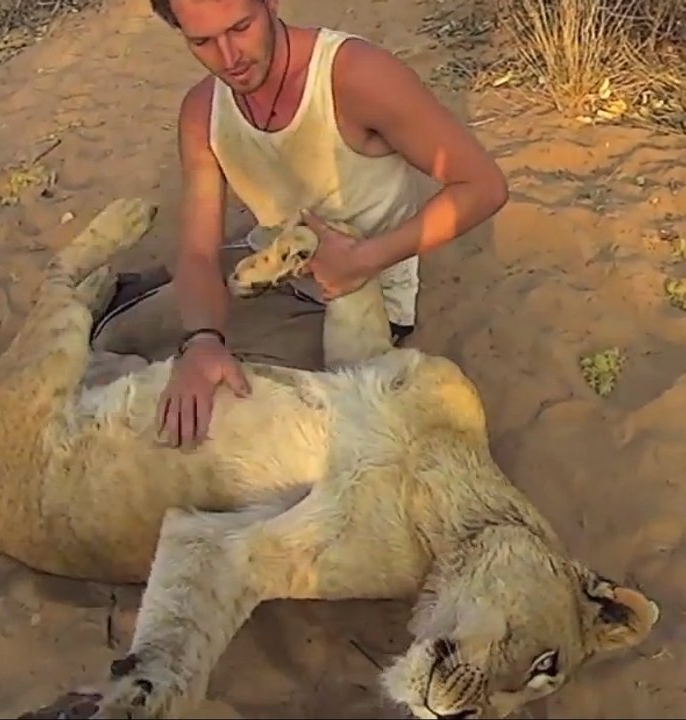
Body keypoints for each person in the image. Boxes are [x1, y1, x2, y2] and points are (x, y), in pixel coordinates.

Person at [146, 0, 509, 448]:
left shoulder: (352, 76)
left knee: (230, 426)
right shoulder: (203, 111)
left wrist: (363, 259)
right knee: (128, 343)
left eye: (240, 27)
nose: (229, 57)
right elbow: (198, 251)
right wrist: (203, 340)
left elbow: (482, 186)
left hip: (361, 294)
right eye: (202, 41)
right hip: (272, 268)